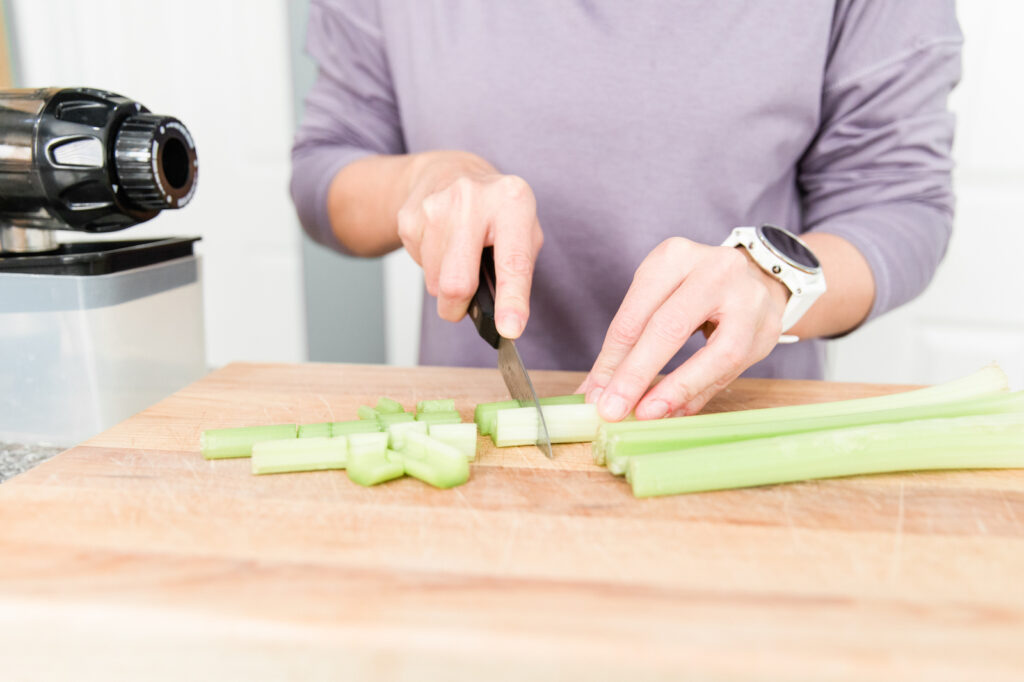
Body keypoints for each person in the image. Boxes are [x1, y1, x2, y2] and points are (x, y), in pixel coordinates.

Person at [291, 1, 961, 422]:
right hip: (474, 431)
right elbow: (326, 168)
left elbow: (897, 201)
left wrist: (771, 278)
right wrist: (423, 178)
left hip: (726, 434)